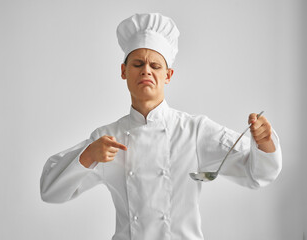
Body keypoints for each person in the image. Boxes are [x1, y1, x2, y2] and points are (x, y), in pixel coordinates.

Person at [40, 13, 282, 240]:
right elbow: (51, 192)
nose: (146, 70)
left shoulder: (195, 131)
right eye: (137, 64)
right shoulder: (107, 138)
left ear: (168, 75)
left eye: (155, 66)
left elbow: (258, 174)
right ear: (124, 71)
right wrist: (88, 155)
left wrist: (264, 142)